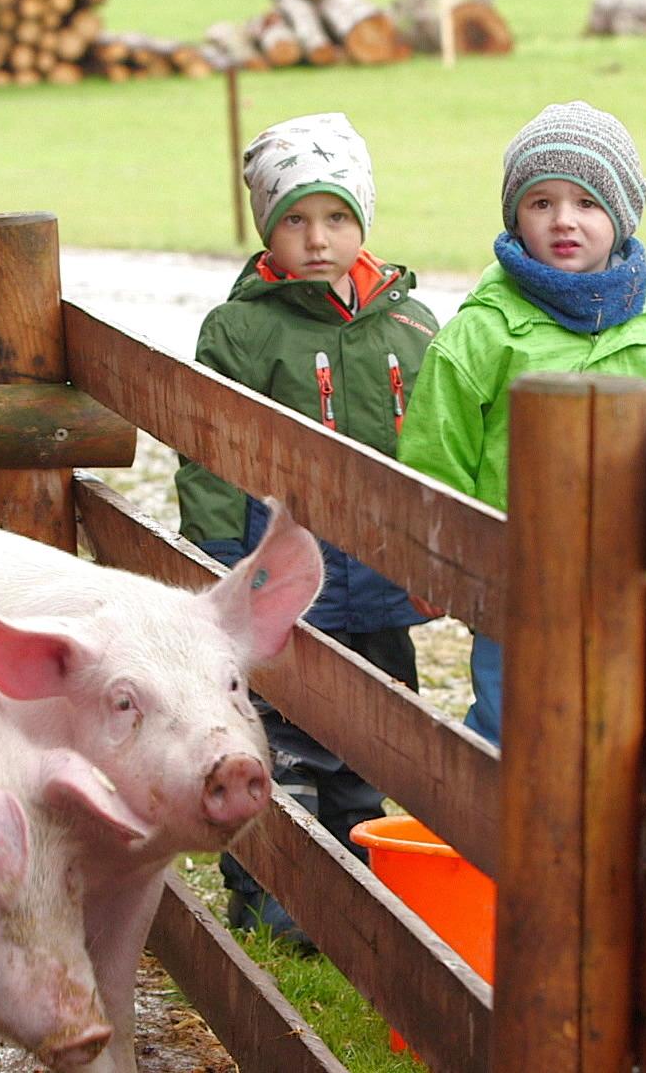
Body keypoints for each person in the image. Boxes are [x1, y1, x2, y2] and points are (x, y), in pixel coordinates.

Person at [173, 111, 439, 950]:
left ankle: (359, 907)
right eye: (295, 219)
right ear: (267, 229)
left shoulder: (412, 327)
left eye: (335, 218)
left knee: (370, 740)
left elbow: (438, 447)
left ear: (362, 221)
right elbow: (209, 452)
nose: (316, 239)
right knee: (282, 747)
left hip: (383, 583)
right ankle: (274, 912)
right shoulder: (243, 330)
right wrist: (220, 556)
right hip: (284, 586)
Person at [396, 100, 646, 747]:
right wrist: (432, 561)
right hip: (518, 588)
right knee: (515, 732)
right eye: (540, 202)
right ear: (515, 216)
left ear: (623, 212)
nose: (564, 221)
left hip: (639, 594)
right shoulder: (483, 334)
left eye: (587, 201)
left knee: (629, 738)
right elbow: (437, 454)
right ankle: (498, 845)